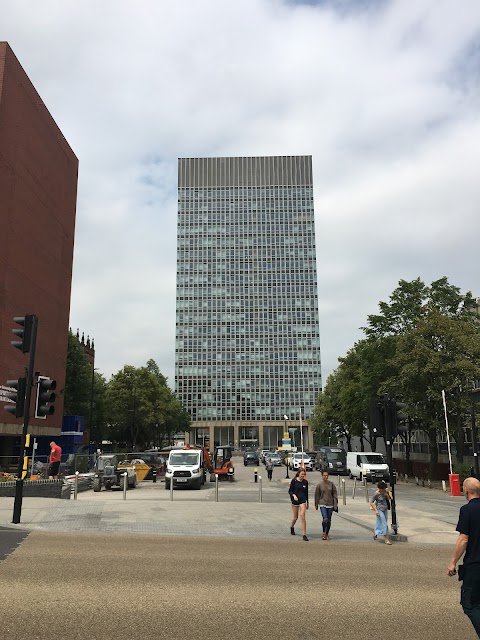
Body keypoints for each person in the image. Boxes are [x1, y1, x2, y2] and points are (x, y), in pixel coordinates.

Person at [447, 477, 480, 637]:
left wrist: (453, 561)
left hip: (475, 565)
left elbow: (463, 539)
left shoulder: (467, 510)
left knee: (470, 604)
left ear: (466, 491)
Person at [314, 470, 338, 540]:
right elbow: (317, 495)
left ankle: (327, 533)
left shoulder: (331, 484)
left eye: (327, 475)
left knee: (329, 520)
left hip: (330, 504)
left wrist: (335, 503)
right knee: (325, 518)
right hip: (322, 503)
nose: (325, 477)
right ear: (322, 476)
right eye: (324, 475)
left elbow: (335, 494)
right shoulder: (319, 485)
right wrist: (316, 504)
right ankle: (324, 532)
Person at [288, 469, 309, 541]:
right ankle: (292, 526)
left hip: (302, 500)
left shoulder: (305, 482)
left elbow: (306, 493)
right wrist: (293, 495)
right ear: (298, 474)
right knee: (295, 517)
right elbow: (290, 490)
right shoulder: (294, 481)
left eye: (304, 474)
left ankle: (304, 534)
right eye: (302, 474)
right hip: (295, 500)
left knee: (302, 516)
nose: (303, 476)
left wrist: (307, 502)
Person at [370, 481, 392, 545]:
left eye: (384, 489)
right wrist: (376, 510)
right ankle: (386, 538)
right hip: (379, 509)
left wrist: (387, 495)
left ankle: (376, 532)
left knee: (379, 522)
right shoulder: (376, 494)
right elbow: (371, 502)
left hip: (385, 509)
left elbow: (389, 499)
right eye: (382, 489)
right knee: (384, 523)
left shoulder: (385, 492)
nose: (382, 490)